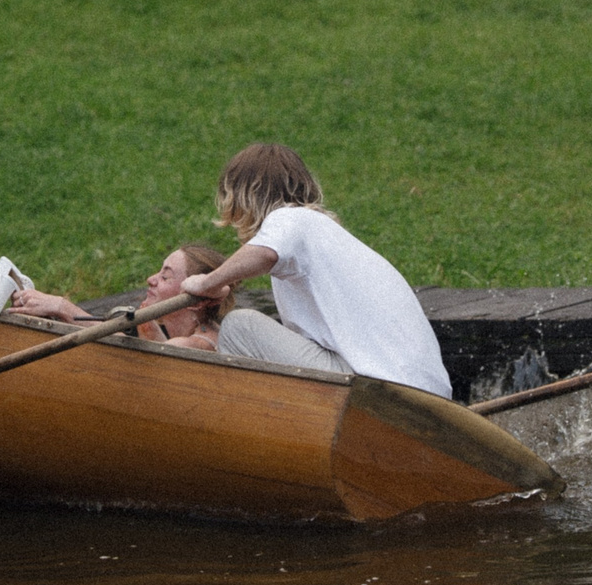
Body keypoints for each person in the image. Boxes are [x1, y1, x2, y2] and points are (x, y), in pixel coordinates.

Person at [181, 143, 454, 398]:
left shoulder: (291, 218)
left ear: (243, 197)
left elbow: (263, 253)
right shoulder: (327, 238)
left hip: (381, 387)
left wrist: (208, 283)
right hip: (427, 393)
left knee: (241, 327)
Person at [7, 243, 233, 351]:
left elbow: (147, 371)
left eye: (165, 277)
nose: (151, 279)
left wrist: (62, 307)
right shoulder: (197, 332)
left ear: (198, 300)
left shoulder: (193, 345)